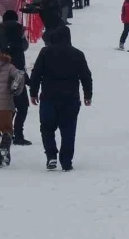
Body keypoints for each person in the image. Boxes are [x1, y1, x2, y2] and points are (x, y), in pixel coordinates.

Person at [30, 26, 93, 171]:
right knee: (68, 130)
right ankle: (66, 161)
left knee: (46, 127)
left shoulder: (45, 52)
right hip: (70, 98)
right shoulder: (77, 54)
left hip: (48, 97)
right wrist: (87, 95)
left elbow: (36, 73)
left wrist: (33, 92)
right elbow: (86, 76)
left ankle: (51, 155)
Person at [0, 10, 31, 145]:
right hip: (17, 73)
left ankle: (6, 132)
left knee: (6, 104)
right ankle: (18, 134)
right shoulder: (20, 30)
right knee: (22, 106)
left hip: (1, 73)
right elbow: (25, 46)